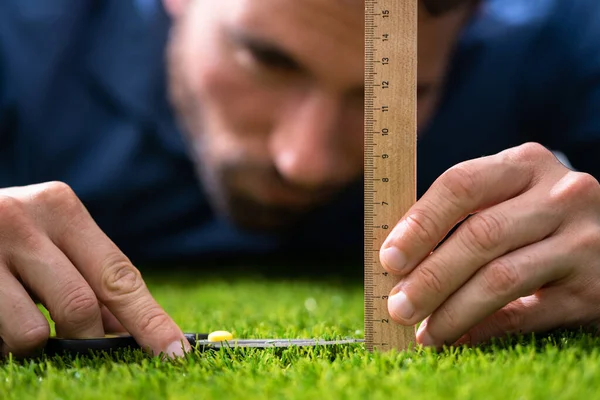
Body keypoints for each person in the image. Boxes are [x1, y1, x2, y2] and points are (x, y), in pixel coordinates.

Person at [0, 0, 598, 358]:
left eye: (383, 97)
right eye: (268, 60)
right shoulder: (19, 38)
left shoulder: (553, 42)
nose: (302, 161)